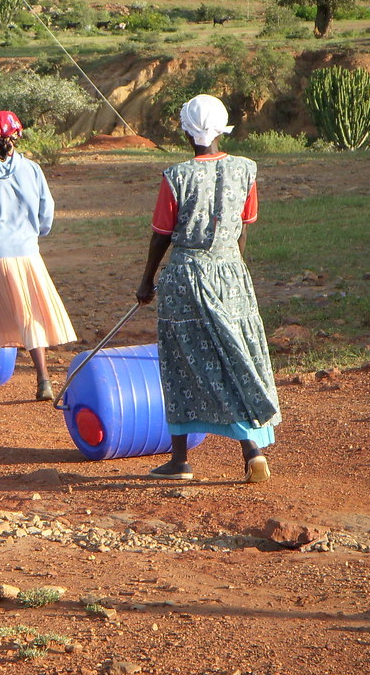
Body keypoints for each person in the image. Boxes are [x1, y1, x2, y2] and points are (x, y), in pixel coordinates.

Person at [136, 94, 281, 484]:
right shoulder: (247, 169)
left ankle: (180, 460)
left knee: (181, 362)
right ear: (223, 127)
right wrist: (236, 270)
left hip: (186, 279)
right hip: (232, 275)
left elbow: (161, 235)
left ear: (185, 129)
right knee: (236, 356)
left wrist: (147, 281)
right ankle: (253, 450)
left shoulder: (176, 176)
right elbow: (243, 229)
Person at [0, 110, 75, 401]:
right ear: (18, 135)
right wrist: (35, 234)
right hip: (27, 254)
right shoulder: (32, 169)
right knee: (30, 313)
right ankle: (44, 381)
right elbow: (46, 211)